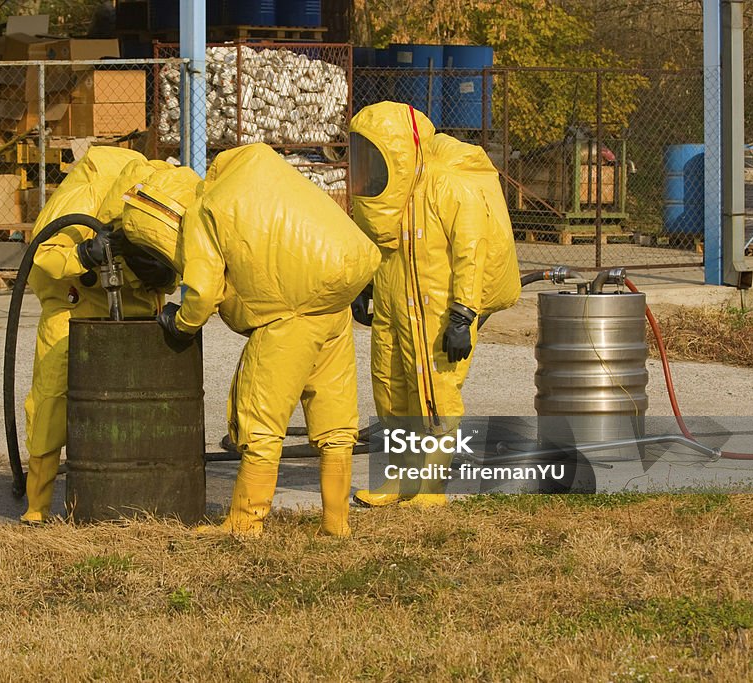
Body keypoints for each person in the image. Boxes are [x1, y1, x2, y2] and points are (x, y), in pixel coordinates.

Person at [120, 145, 381, 537]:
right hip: (333, 306)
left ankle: (245, 523)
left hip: (288, 317)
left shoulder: (206, 210)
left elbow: (204, 292)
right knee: (335, 419)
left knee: (259, 420)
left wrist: (182, 322)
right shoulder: (267, 180)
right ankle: (336, 523)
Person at [348, 101, 521, 508]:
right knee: (391, 393)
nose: (368, 165)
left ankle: (431, 488)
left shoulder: (448, 186)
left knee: (434, 396)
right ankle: (399, 479)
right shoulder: (387, 198)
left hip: (438, 313)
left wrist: (463, 314)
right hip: (392, 310)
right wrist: (364, 287)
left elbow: (470, 254)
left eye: (375, 154)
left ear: (401, 153)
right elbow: (379, 246)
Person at [21, 148, 178, 524]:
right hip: (75, 306)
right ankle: (37, 505)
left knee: (143, 402)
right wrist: (86, 254)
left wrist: (163, 275)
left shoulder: (166, 194)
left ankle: (140, 489)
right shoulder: (86, 194)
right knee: (52, 398)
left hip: (137, 304)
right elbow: (42, 256)